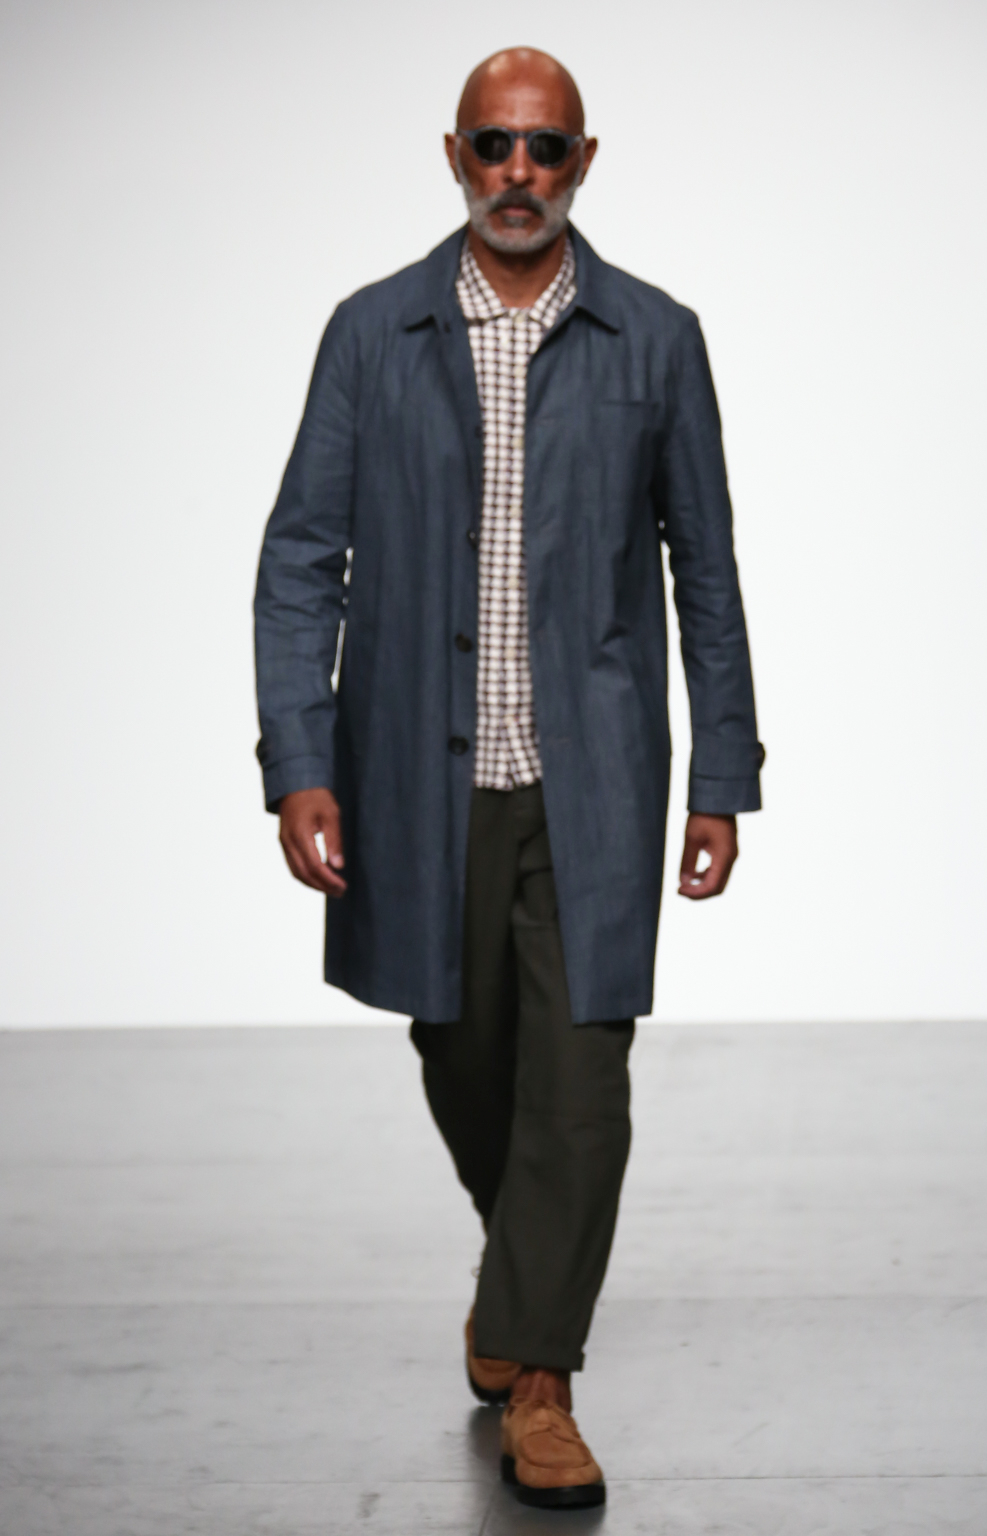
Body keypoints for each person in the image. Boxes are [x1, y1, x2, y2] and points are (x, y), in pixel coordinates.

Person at [254, 46, 763, 1511]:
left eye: (545, 149)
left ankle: (541, 1380)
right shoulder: (373, 332)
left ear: (584, 162)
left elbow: (707, 573)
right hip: (418, 777)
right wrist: (300, 759)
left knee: (583, 1082)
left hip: (592, 780)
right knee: (463, 1052)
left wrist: (721, 771)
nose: (519, 175)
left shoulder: (656, 337)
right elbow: (302, 559)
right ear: (456, 157)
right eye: (495, 146)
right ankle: (521, 1275)